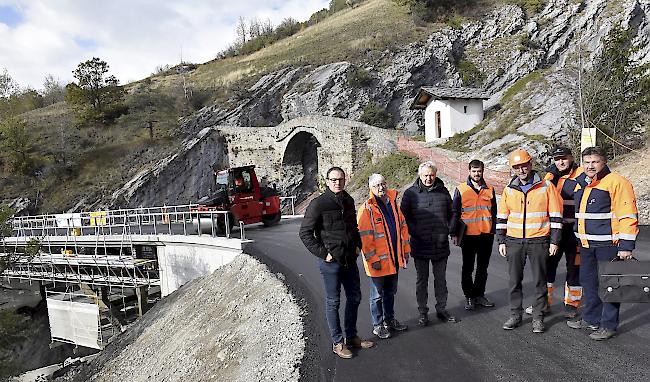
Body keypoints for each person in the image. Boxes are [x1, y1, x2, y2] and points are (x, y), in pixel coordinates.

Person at [299, 166, 375, 359]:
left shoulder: (348, 200)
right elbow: (305, 233)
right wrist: (324, 254)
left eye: (340, 179)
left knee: (355, 298)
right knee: (333, 302)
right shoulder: (319, 204)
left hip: (350, 259)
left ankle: (351, 337)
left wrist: (357, 245)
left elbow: (354, 227)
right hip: (331, 263)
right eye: (333, 180)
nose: (337, 182)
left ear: (345, 179)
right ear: (327, 181)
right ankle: (338, 343)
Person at [566, 147, 639, 341]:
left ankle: (608, 325)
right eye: (587, 162)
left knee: (610, 286)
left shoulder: (617, 182)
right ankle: (592, 318)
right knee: (589, 284)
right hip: (587, 244)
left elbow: (628, 215)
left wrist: (626, 246)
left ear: (604, 162)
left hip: (609, 244)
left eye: (595, 162)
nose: (590, 166)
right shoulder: (582, 182)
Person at [497, 148, 563, 333]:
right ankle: (515, 315)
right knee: (514, 281)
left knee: (539, 282)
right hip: (514, 241)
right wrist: (501, 240)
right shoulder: (509, 190)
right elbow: (502, 217)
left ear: (530, 164)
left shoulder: (546, 187)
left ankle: (538, 317)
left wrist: (554, 241)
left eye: (524, 166)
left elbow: (556, 216)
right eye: (517, 167)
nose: (521, 170)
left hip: (539, 241)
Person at [524, 147, 583, 318]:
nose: (561, 162)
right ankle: (543, 304)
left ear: (571, 158)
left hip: (574, 232)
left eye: (564, 158)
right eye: (557, 159)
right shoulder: (549, 178)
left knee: (574, 269)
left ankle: (572, 305)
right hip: (554, 232)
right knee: (547, 268)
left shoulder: (581, 175)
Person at [401, 161, 458, 326]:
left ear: (436, 174)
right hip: (420, 244)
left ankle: (441, 309)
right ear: (420, 175)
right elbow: (404, 218)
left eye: (431, 175)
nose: (428, 178)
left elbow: (452, 212)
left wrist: (449, 229)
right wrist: (416, 231)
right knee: (422, 280)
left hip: (440, 244)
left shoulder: (443, 191)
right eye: (425, 175)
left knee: (441, 280)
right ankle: (422, 312)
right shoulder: (410, 194)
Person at [357, 174, 410, 339]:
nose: (381, 188)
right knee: (376, 296)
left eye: (383, 184)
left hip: (393, 260)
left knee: (390, 293)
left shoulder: (393, 204)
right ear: (370, 189)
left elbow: (403, 228)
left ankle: (389, 320)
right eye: (377, 185)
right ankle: (378, 325)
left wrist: (405, 252)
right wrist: (373, 260)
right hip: (378, 263)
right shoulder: (366, 209)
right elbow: (365, 238)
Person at [451, 159, 497, 311]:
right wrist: (454, 233)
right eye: (474, 171)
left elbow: (494, 212)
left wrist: (494, 230)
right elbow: (455, 213)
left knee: (483, 268)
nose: (477, 174)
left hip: (486, 235)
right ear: (469, 171)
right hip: (468, 236)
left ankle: (479, 295)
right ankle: (469, 296)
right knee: (468, 268)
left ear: (483, 171)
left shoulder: (490, 189)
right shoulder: (461, 189)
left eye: (479, 171)